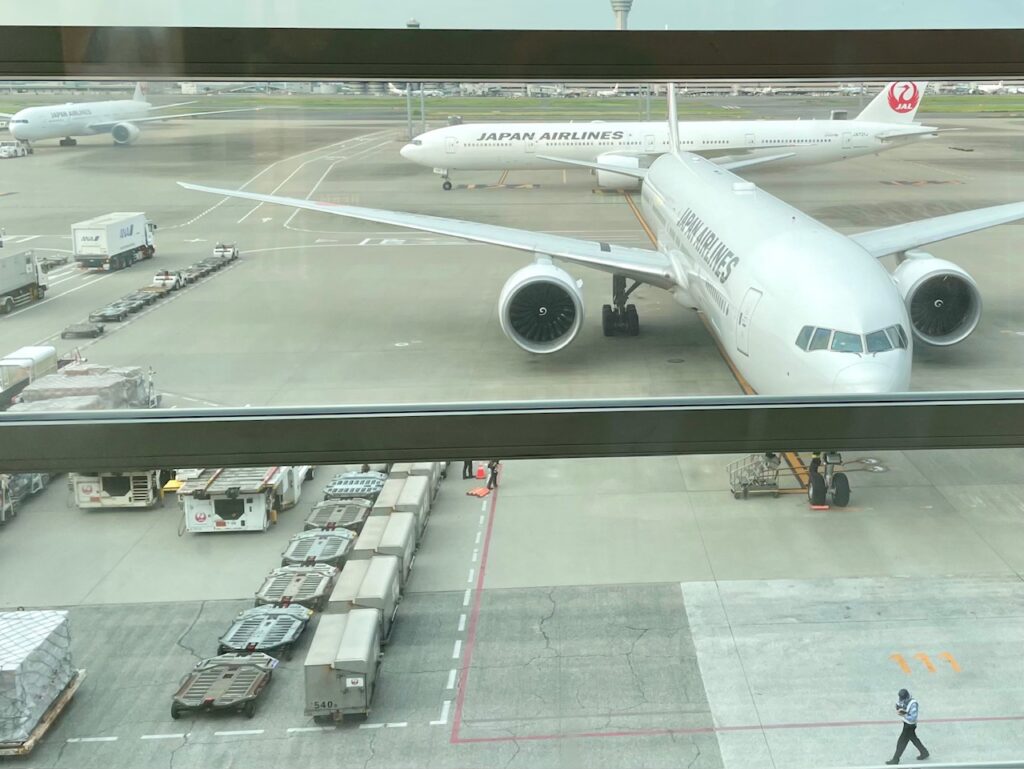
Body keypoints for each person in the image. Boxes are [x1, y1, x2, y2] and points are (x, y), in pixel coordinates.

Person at [886, 689, 929, 764]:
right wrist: (898, 707)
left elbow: (913, 717)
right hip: (906, 724)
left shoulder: (913, 704)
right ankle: (924, 752)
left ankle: (896, 759)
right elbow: (899, 704)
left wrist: (903, 714)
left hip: (910, 726)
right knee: (914, 739)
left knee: (901, 742)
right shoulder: (904, 700)